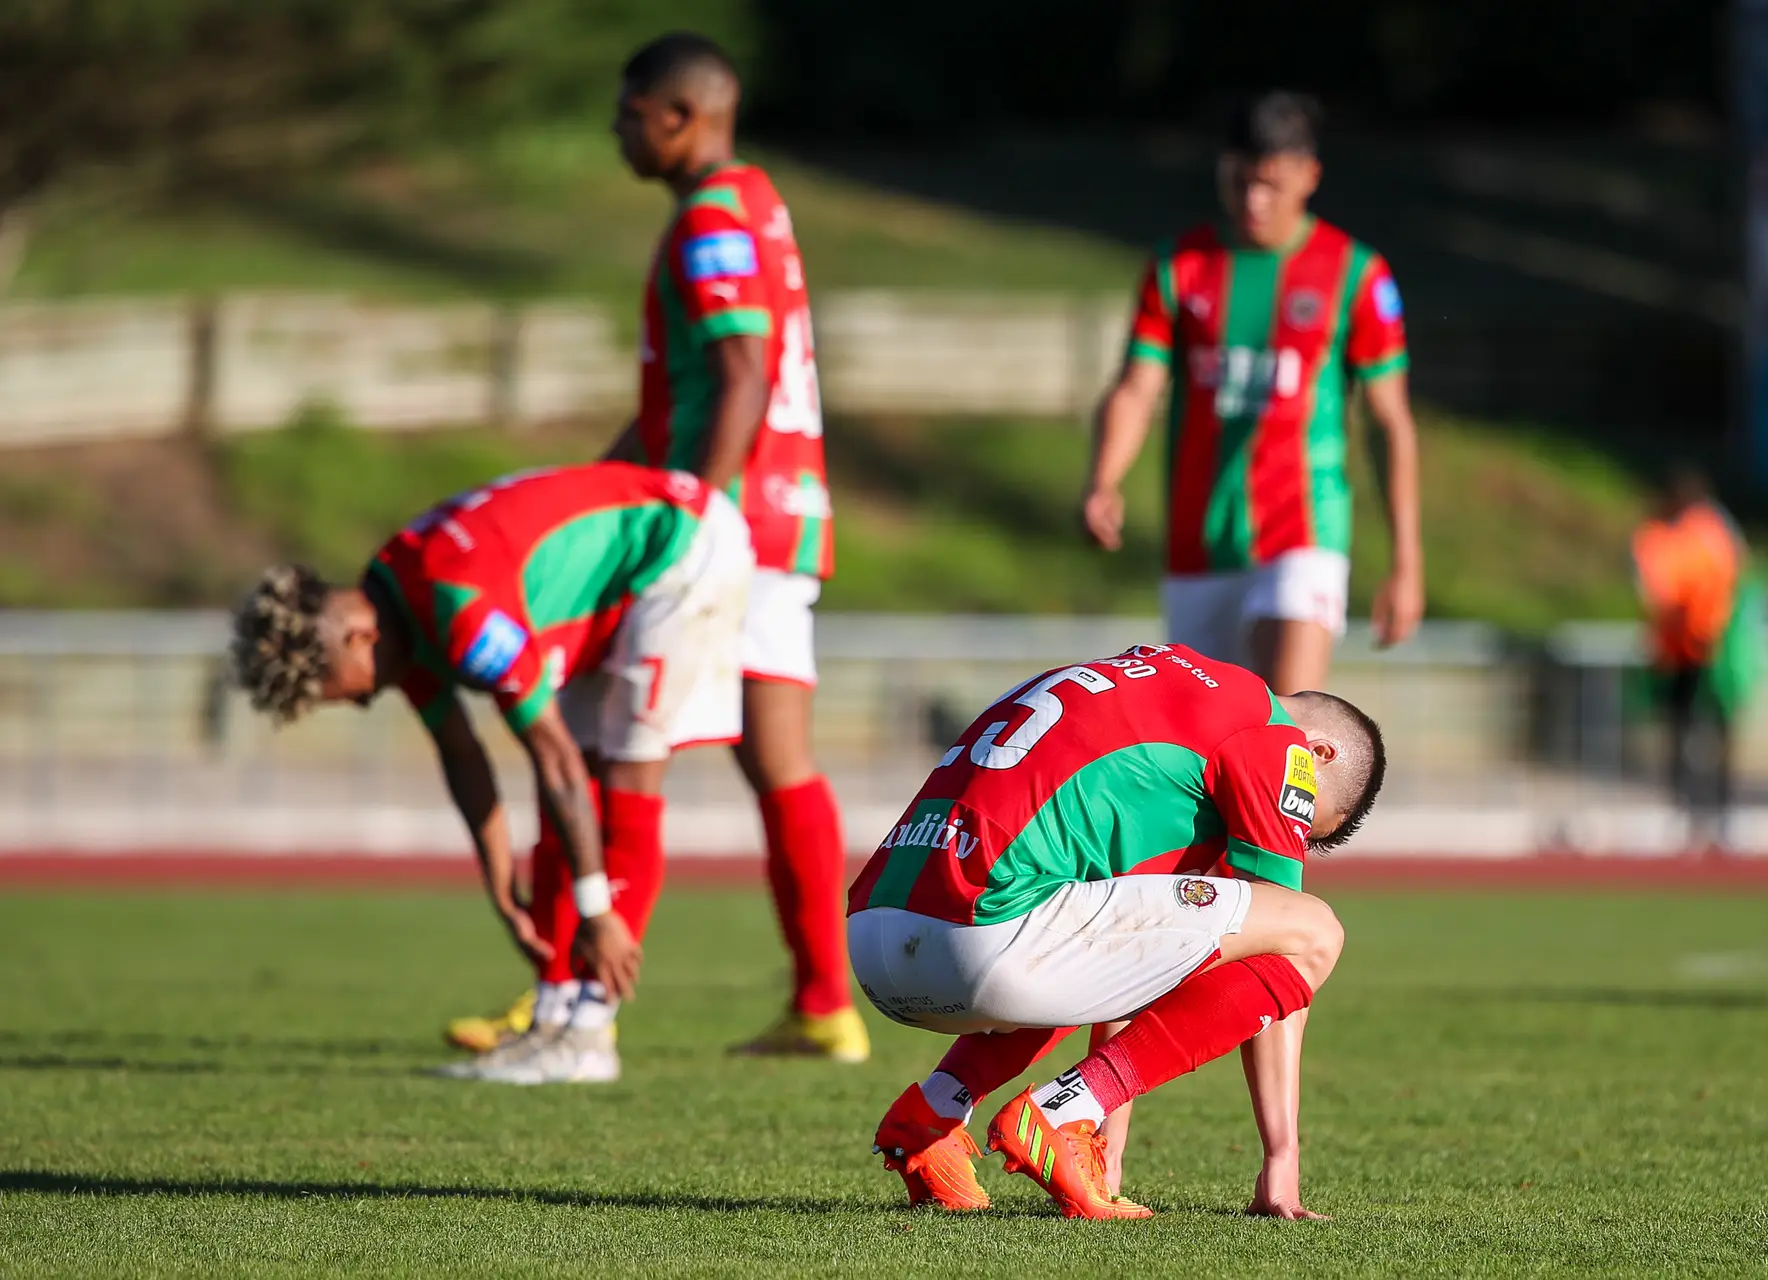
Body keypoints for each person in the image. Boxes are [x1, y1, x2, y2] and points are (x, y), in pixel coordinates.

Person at [448, 33, 869, 1064]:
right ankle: (824, 1001)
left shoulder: (710, 225)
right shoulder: (758, 201)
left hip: (723, 524)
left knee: (600, 748)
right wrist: (596, 490)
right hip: (783, 512)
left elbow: (738, 372)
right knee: (778, 762)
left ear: (680, 117)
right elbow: (696, 394)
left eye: (630, 112)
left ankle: (569, 994)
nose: (616, 130)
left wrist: (689, 512)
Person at [230, 463, 753, 1083]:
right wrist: (504, 883)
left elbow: (548, 753)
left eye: (337, 691)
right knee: (575, 777)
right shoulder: (396, 604)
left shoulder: (460, 611)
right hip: (623, 570)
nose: (358, 702)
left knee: (623, 775)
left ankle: (588, 1034)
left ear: (355, 637)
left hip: (681, 550)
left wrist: (594, 908)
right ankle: (554, 1014)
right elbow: (461, 750)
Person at [847, 643, 1385, 1219]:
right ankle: (1058, 1115)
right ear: (1319, 753)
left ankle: (935, 1110)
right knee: (1313, 929)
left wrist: (1109, 1152)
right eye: (1306, 823)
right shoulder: (1272, 736)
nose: (1292, 831)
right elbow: (1283, 934)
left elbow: (1128, 946)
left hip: (875, 939)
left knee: (1088, 920)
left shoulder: (1153, 681)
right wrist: (1283, 1159)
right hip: (985, 941)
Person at [1081, 90, 1425, 695]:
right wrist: (1103, 477)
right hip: (1199, 543)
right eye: (1239, 181)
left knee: (1283, 728)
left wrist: (1406, 560)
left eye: (1269, 184)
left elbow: (1388, 420)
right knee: (1202, 760)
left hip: (1302, 531)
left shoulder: (1353, 274)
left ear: (1309, 176)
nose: (1252, 201)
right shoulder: (1179, 267)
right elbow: (1137, 388)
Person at [1632, 467, 1744, 832]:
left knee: (1711, 727)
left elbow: (1726, 581)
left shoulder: (1708, 531)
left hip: (1711, 645)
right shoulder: (1669, 534)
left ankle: (1716, 808)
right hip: (1685, 648)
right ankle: (1689, 808)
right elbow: (1657, 589)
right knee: (1686, 727)